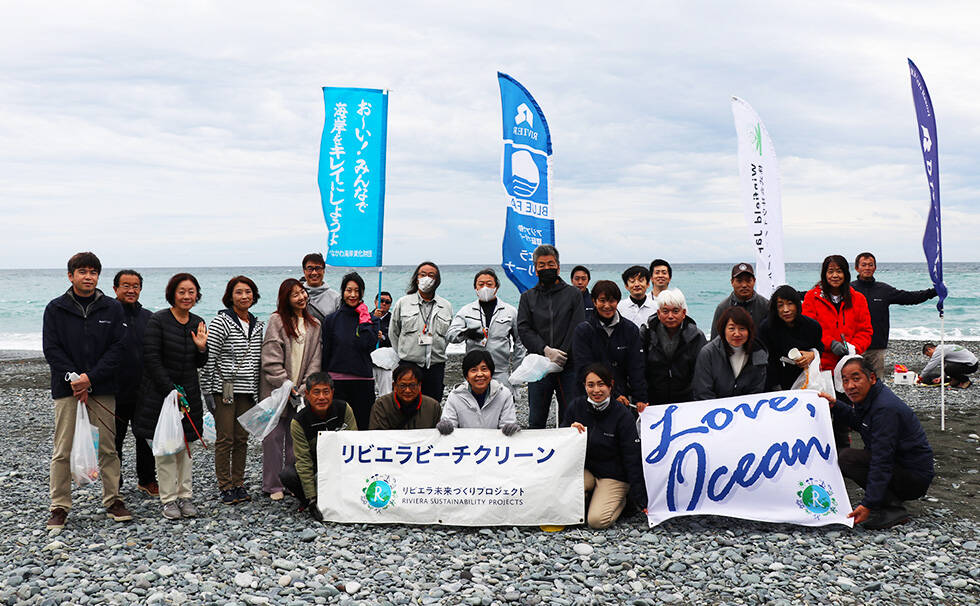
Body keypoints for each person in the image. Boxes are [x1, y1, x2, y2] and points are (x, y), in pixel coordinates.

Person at [43, 252, 130, 529]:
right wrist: (74, 378)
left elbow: (118, 348)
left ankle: (113, 499)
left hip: (102, 387)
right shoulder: (55, 308)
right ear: (71, 276)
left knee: (107, 447)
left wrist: (90, 378)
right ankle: (59, 506)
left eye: (93, 272)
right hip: (66, 388)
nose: (88, 277)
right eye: (82, 272)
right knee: (62, 449)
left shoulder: (111, 308)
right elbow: (52, 349)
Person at [820, 357, 934, 529]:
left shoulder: (885, 408)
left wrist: (869, 504)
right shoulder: (870, 398)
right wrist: (835, 405)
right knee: (846, 456)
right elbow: (859, 422)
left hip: (913, 477)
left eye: (856, 379)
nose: (850, 386)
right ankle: (886, 499)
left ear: (872, 378)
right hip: (901, 467)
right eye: (845, 380)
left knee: (847, 458)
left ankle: (893, 508)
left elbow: (882, 459)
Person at [134, 273, 209, 520]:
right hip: (160, 395)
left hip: (189, 394)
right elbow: (152, 360)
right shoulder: (158, 320)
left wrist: (201, 348)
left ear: (197, 295)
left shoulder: (197, 321)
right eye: (182, 291)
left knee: (185, 449)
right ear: (172, 294)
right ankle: (168, 500)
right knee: (166, 449)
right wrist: (170, 390)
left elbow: (200, 362)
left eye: (191, 292)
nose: (187, 296)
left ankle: (185, 496)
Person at [199, 276, 264, 505]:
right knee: (225, 438)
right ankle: (225, 486)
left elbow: (257, 361)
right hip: (224, 388)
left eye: (248, 292)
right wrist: (207, 391)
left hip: (248, 391)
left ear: (254, 295)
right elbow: (209, 357)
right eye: (239, 292)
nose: (244, 296)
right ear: (230, 296)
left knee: (242, 439)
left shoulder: (258, 324)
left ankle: (238, 482)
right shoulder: (221, 321)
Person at [260, 278, 323, 501]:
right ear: (286, 299)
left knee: (296, 437)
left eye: (303, 292)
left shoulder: (314, 324)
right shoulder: (276, 320)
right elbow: (270, 358)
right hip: (276, 390)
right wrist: (285, 383)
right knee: (273, 438)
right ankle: (272, 484)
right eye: (295, 294)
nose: (301, 297)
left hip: (300, 392)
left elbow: (315, 359)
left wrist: (304, 387)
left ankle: (292, 481)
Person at [563, 363, 646, 529]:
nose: (596, 390)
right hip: (586, 470)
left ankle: (622, 499)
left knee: (596, 521)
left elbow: (632, 457)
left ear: (610, 385)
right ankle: (593, 496)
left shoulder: (623, 415)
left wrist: (641, 499)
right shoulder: (576, 407)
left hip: (614, 475)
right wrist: (568, 433)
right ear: (584, 386)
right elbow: (559, 445)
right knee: (564, 492)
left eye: (601, 384)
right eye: (590, 385)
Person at [281, 372, 357, 522]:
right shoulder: (299, 422)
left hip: (341, 462)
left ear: (332, 393)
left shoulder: (344, 409)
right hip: (316, 464)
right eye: (316, 392)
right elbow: (303, 461)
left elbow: (354, 444)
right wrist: (311, 499)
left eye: (326, 392)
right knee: (288, 474)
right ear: (307, 395)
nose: (321, 397)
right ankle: (306, 499)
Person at [851, 252, 937, 378]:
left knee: (877, 382)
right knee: (854, 381)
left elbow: (909, 297)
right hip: (854, 344)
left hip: (877, 346)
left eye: (870, 265)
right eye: (863, 265)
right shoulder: (849, 289)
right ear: (857, 268)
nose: (867, 268)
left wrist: (933, 292)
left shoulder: (883, 289)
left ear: (875, 267)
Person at [112, 269, 157, 497]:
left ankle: (147, 480)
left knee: (145, 436)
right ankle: (114, 486)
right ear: (115, 289)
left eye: (136, 286)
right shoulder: (107, 314)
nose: (131, 290)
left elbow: (156, 353)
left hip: (144, 390)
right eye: (126, 285)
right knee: (114, 441)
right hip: (114, 391)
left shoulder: (148, 317)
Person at [447, 268, 526, 394]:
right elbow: (450, 335)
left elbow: (520, 343)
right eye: (481, 284)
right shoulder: (466, 311)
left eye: (489, 284)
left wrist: (517, 374)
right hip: (474, 372)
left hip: (500, 373)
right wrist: (465, 333)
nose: (485, 288)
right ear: (475, 288)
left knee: (502, 409)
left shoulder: (510, 311)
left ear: (496, 287)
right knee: (472, 409)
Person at [572, 280, 647, 409]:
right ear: (594, 302)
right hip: (591, 396)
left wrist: (640, 398)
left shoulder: (630, 329)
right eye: (602, 301)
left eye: (611, 301)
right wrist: (612, 394)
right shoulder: (583, 331)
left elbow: (636, 367)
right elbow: (584, 367)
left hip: (623, 397)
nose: (607, 306)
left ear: (617, 302)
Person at [321, 272, 379, 431]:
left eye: (357, 291)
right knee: (335, 428)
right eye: (348, 290)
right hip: (336, 382)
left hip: (363, 380)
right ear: (342, 292)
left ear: (362, 293)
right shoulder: (331, 320)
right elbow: (326, 352)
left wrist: (364, 319)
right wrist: (324, 379)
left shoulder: (372, 320)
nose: (353, 295)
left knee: (362, 427)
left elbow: (367, 345)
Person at [389, 262, 454, 401]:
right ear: (416, 278)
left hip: (435, 366)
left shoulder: (446, 306)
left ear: (437, 281)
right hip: (408, 365)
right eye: (422, 274)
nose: (426, 278)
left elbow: (447, 337)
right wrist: (403, 353)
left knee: (433, 405)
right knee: (406, 404)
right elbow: (394, 332)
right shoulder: (403, 303)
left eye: (431, 275)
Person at [802, 255, 873, 372]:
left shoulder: (858, 299)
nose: (835, 275)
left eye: (839, 271)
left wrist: (853, 348)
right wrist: (831, 344)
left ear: (846, 274)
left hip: (850, 363)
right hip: (821, 364)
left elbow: (865, 331)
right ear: (824, 274)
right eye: (830, 271)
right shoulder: (812, 297)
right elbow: (808, 329)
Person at [640, 288, 707, 406]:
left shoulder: (696, 336)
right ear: (659, 313)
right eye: (665, 311)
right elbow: (639, 369)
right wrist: (641, 397)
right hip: (653, 400)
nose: (670, 316)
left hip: (687, 400)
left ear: (684, 313)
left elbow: (702, 373)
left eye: (675, 311)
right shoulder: (647, 334)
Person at [436, 350, 521, 435]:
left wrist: (510, 428)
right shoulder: (455, 396)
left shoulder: (504, 394)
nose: (480, 374)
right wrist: (446, 427)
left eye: (484, 369)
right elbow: (450, 425)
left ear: (491, 374)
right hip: (464, 446)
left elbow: (507, 423)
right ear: (467, 376)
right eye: (474, 370)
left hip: (493, 446)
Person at [692, 307, 767, 400]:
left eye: (742, 328)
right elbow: (702, 392)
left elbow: (757, 391)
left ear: (749, 331)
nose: (737, 334)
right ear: (723, 330)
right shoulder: (708, 353)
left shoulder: (758, 353)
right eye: (731, 328)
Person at [759, 285, 824, 390]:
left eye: (790, 304)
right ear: (775, 308)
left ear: (797, 305)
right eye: (780, 305)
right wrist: (775, 387)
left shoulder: (812, 327)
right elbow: (766, 361)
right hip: (775, 383)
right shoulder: (766, 328)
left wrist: (812, 354)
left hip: (806, 380)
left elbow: (820, 347)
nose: (786, 310)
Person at [369, 363, 443, 429]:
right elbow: (376, 437)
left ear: (419, 386)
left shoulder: (433, 407)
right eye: (402, 386)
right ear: (394, 386)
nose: (407, 390)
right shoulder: (381, 406)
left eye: (412, 385)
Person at [710, 263, 770, 340]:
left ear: (754, 281)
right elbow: (715, 340)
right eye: (739, 281)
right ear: (732, 282)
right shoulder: (723, 308)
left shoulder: (766, 305)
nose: (744, 285)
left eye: (748, 280)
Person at [301, 253, 340, 322]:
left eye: (318, 268)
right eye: (310, 269)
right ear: (304, 271)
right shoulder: (296, 296)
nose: (314, 273)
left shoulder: (336, 298)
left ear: (323, 271)